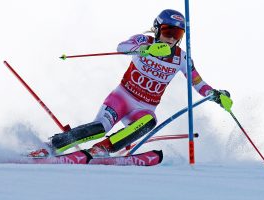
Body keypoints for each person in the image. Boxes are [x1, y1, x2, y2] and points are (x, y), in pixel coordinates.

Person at [50, 9, 230, 157]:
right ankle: (55, 143)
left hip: (144, 108)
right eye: (168, 32)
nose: (172, 38)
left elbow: (198, 83)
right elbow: (122, 47)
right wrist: (146, 50)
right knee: (100, 127)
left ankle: (102, 149)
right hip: (121, 98)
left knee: (150, 121)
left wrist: (215, 95)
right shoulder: (144, 41)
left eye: (177, 34)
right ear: (158, 29)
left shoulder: (182, 58)